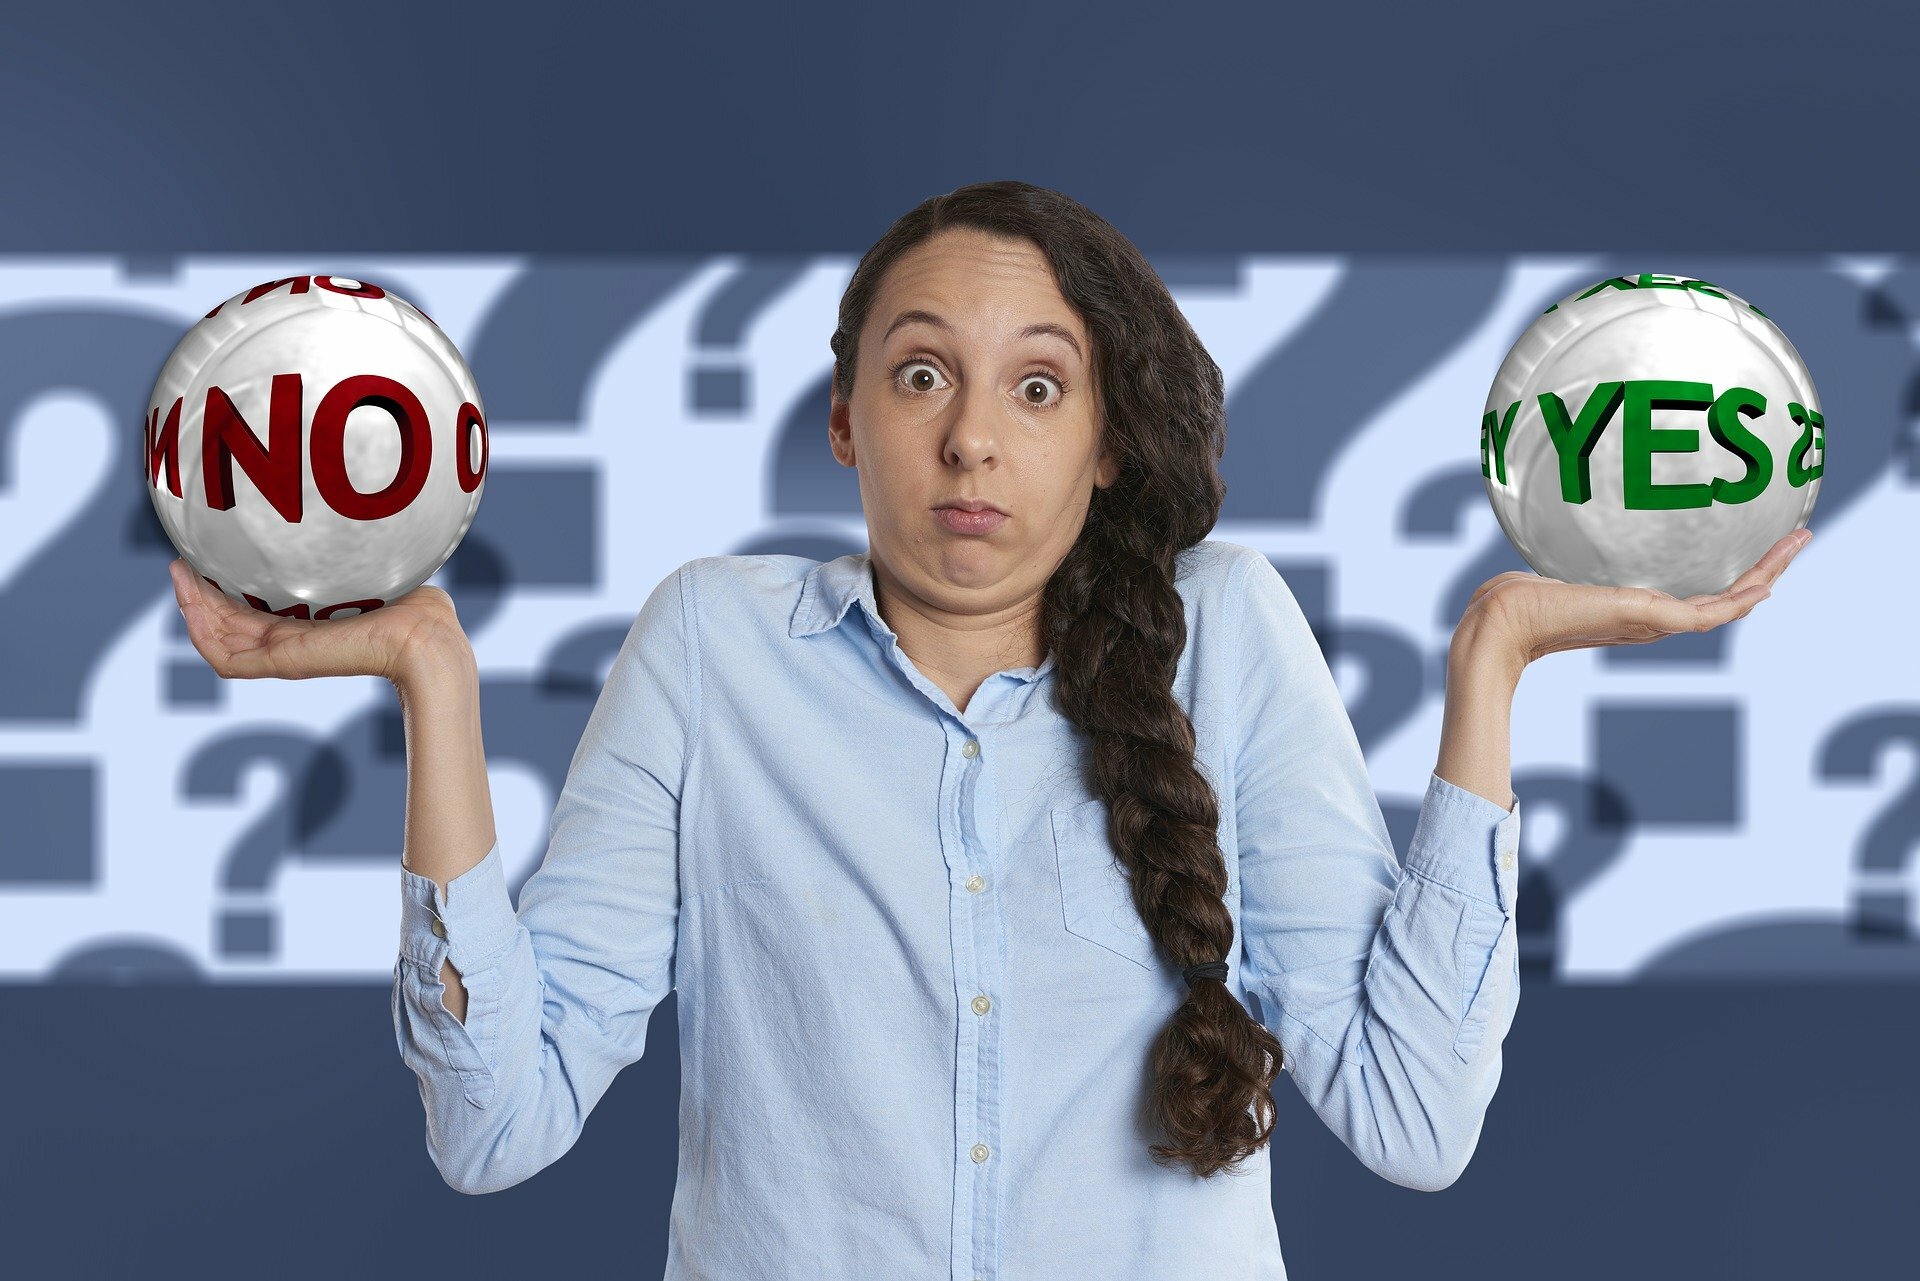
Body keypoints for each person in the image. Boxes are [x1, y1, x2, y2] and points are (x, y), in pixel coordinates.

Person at [168, 179, 1810, 1279]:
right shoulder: (711, 648)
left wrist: (1493, 660)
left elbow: (1415, 1119)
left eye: (1038, 386)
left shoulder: (1224, 628)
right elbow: (493, 1122)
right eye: (918, 376)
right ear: (841, 419)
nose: (971, 441)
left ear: (1105, 439)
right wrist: (431, 680)